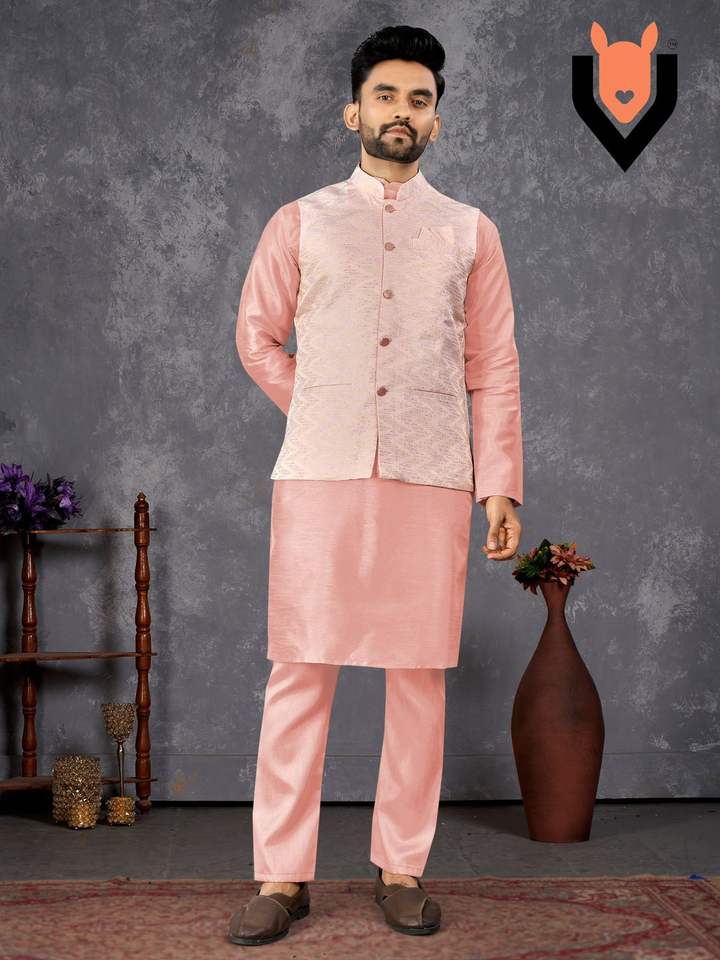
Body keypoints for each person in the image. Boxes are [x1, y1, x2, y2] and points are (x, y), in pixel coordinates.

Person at [228, 24, 523, 946]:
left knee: (419, 679)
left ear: (437, 121)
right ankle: (281, 878)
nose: (402, 112)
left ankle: (402, 869)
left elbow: (495, 365)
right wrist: (320, 404)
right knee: (299, 672)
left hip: (432, 475)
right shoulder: (301, 221)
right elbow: (256, 337)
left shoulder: (470, 232)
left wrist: (499, 485)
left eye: (419, 99)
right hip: (319, 473)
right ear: (352, 112)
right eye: (386, 95)